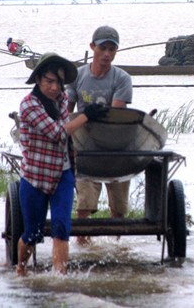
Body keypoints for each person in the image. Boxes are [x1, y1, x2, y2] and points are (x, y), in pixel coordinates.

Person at [16, 52, 108, 276]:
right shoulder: (29, 105)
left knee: (61, 228)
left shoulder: (62, 99)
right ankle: (20, 268)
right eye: (49, 81)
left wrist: (83, 117)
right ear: (38, 79)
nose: (55, 87)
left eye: (59, 82)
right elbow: (57, 132)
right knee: (32, 233)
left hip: (63, 173)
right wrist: (86, 115)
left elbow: (65, 123)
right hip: (36, 176)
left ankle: (61, 280)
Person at [65, 25, 133, 245]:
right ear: (92, 47)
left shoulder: (122, 78)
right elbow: (66, 113)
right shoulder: (77, 77)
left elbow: (115, 115)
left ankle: (117, 247)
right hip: (85, 148)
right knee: (84, 207)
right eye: (103, 48)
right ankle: (83, 244)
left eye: (112, 49)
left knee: (119, 210)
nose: (107, 54)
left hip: (115, 148)